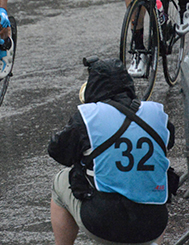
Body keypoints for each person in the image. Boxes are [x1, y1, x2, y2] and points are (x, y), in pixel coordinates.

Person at [49, 57, 176, 245]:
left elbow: (57, 150)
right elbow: (169, 142)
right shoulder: (157, 114)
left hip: (104, 223)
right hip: (153, 224)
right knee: (155, 182)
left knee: (60, 180)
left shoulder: (89, 116)